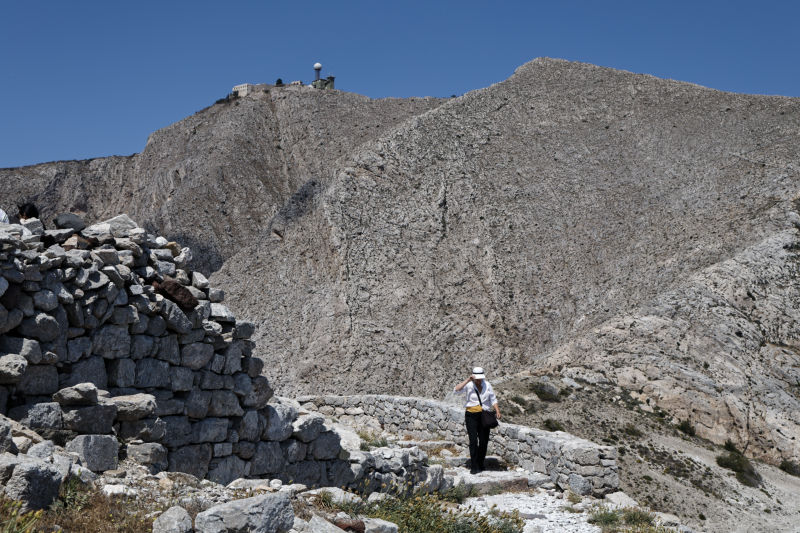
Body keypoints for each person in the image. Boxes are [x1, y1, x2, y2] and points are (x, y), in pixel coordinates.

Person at [454, 367, 502, 474]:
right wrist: (468, 380)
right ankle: (474, 466)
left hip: (484, 415)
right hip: (471, 415)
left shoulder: (487, 385)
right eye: (477, 379)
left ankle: (481, 463)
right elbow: (456, 390)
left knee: (484, 440)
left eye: (480, 379)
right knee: (473, 441)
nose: (479, 381)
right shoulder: (469, 385)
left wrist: (497, 410)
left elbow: (493, 399)